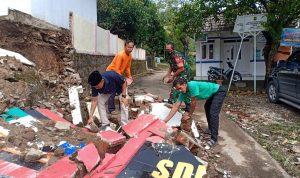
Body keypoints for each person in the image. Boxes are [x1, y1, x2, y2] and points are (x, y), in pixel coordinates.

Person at [163, 77, 226, 148]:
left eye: (180, 88)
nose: (180, 90)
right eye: (178, 89)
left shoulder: (192, 86)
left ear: (184, 84)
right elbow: (175, 107)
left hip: (219, 91)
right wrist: (165, 120)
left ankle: (214, 139)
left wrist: (189, 115)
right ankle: (210, 129)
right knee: (207, 107)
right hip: (212, 94)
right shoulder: (183, 93)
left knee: (213, 113)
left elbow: (193, 103)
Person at [106, 40, 134, 114]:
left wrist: (129, 76)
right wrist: (121, 79)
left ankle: (122, 108)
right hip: (111, 73)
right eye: (128, 47)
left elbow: (128, 68)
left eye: (131, 47)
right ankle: (111, 109)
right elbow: (116, 69)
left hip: (118, 74)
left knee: (121, 91)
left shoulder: (130, 56)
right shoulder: (120, 55)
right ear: (125, 46)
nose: (130, 49)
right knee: (112, 91)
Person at [163, 43, 192, 111]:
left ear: (172, 48)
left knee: (177, 87)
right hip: (179, 72)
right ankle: (179, 104)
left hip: (185, 72)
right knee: (180, 88)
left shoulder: (176, 55)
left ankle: (173, 104)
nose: (167, 50)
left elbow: (181, 68)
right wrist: (167, 75)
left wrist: (173, 76)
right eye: (166, 49)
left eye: (169, 49)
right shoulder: (169, 55)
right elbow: (171, 66)